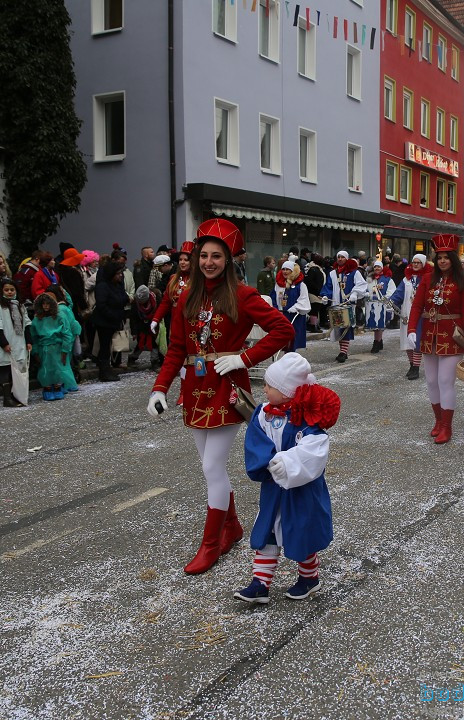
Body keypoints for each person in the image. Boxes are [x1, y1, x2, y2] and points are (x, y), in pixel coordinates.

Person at [146, 219, 294, 576]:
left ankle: (211, 544)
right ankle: (231, 528)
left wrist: (243, 358)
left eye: (217, 256)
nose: (209, 262)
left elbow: (282, 329)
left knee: (213, 466)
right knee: (208, 466)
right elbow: (178, 348)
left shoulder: (242, 294)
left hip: (229, 390)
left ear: (228, 260)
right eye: (204, 255)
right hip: (194, 389)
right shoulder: (186, 296)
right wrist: (160, 387)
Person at [233, 352, 339, 604]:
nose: (265, 389)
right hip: (273, 488)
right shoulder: (263, 414)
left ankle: (309, 578)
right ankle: (260, 583)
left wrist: (288, 465)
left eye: (270, 386)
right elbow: (256, 439)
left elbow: (314, 451)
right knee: (267, 531)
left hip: (301, 491)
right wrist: (268, 463)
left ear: (287, 391)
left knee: (302, 532)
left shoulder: (307, 421)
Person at [407, 234, 464, 445]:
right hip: (429, 335)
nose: (442, 261)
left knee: (445, 381)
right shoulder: (427, 280)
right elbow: (417, 306)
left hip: (452, 337)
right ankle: (438, 421)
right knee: (430, 381)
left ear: (453, 259)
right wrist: (412, 328)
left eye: (446, 257)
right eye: (439, 258)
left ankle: (447, 426)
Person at [0, 277, 32, 407]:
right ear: (1, 291)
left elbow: (27, 323)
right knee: (5, 371)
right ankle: (7, 398)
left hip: (19, 344)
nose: (9, 292)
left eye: (12, 289)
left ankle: (17, 395)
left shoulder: (20, 306)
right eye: (6, 290)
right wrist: (4, 344)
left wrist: (29, 341)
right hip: (6, 345)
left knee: (18, 372)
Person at [320, 251, 367, 362]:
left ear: (347, 259)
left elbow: (361, 284)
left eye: (342, 257)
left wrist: (355, 293)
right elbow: (328, 286)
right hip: (336, 304)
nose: (340, 259)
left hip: (348, 304)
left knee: (347, 327)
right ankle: (343, 351)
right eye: (338, 257)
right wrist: (325, 296)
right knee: (338, 327)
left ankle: (343, 352)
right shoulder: (332, 273)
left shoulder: (354, 273)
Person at [387, 254, 429, 380]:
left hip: (421, 315)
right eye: (413, 262)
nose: (415, 264)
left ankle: (416, 367)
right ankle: (411, 365)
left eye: (418, 262)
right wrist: (391, 303)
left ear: (423, 264)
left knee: (416, 342)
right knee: (407, 342)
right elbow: (398, 293)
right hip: (407, 314)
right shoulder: (407, 280)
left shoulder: (427, 278)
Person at [31, 292, 77, 401]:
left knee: (58, 368)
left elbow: (66, 333)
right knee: (45, 369)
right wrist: (35, 352)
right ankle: (47, 388)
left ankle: (57, 387)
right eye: (43, 304)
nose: (46, 306)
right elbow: (34, 337)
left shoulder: (60, 317)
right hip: (44, 348)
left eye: (48, 303)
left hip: (57, 347)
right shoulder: (37, 320)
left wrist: (65, 350)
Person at [91, 260, 129, 382]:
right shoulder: (102, 286)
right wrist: (114, 315)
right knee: (105, 347)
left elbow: (123, 298)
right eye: (118, 273)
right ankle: (104, 371)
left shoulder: (117, 285)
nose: (120, 275)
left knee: (109, 347)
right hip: (104, 322)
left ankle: (108, 369)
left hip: (114, 320)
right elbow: (102, 306)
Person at [270, 257, 310, 352]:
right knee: (282, 341)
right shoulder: (278, 284)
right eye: (283, 269)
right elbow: (273, 297)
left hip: (294, 316)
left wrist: (295, 307)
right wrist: (275, 309)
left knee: (293, 340)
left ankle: (290, 359)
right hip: (281, 315)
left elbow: (304, 299)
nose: (285, 271)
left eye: (287, 269)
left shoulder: (300, 285)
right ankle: (286, 359)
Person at [364, 260, 395, 354]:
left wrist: (386, 297)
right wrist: (366, 293)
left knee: (380, 324)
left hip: (382, 304)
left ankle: (376, 342)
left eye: (379, 267)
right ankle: (379, 341)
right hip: (372, 304)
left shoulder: (387, 279)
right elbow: (365, 288)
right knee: (374, 324)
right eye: (375, 267)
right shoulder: (370, 279)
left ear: (382, 268)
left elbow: (392, 290)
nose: (377, 268)